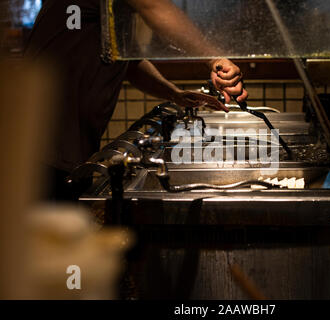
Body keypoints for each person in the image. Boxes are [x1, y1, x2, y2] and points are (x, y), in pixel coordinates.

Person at [25, 0, 248, 201]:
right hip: (38, 144)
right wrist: (215, 60)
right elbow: (153, 6)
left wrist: (175, 94)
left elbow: (129, 63)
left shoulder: (108, 13)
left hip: (65, 147)